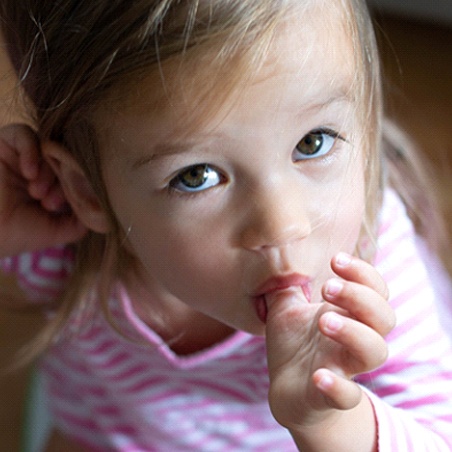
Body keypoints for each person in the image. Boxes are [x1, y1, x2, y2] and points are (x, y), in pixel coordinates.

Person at [0, 0, 451, 450]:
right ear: (86, 192)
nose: (282, 226)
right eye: (196, 176)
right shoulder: (52, 241)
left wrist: (330, 422)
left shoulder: (368, 274)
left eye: (314, 142)